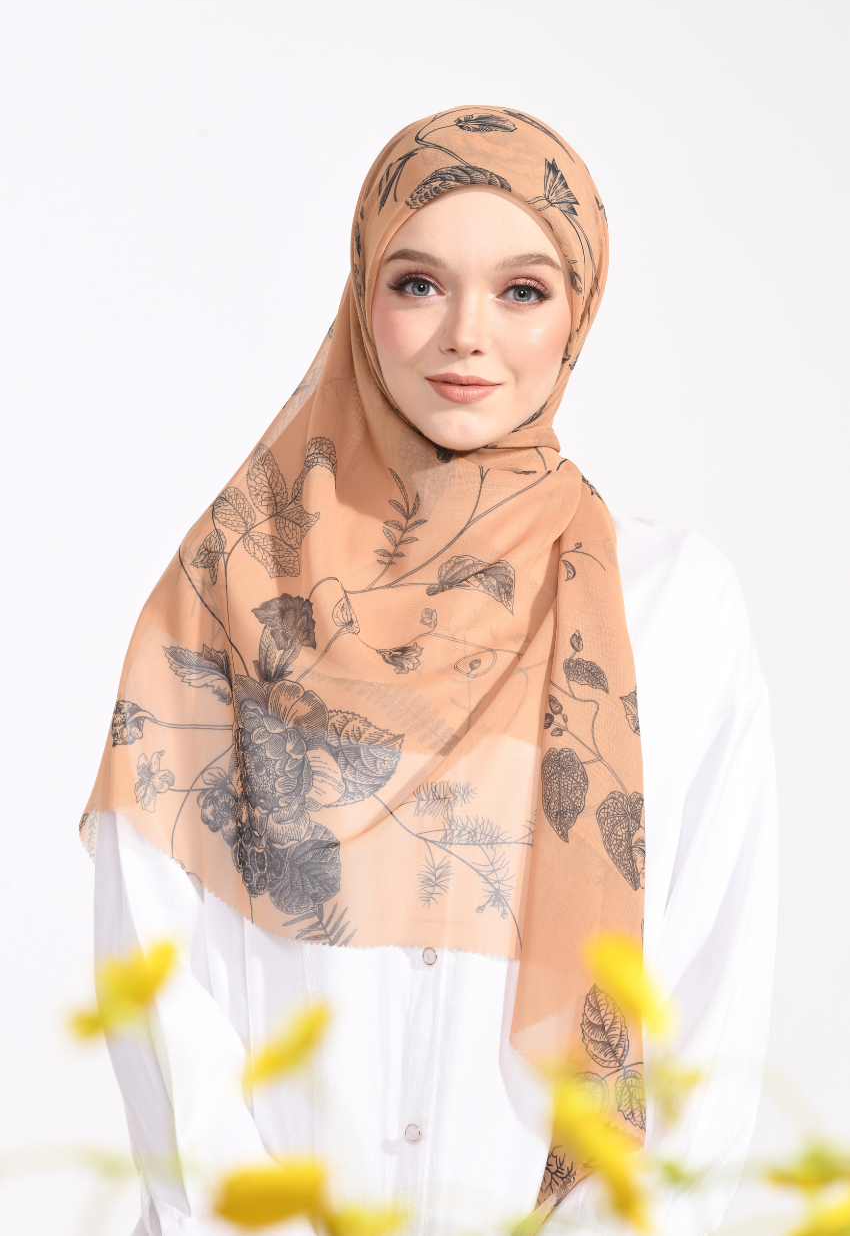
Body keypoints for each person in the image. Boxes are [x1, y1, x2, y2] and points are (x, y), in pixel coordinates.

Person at [82, 107, 777, 1236]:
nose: (467, 335)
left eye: (521, 290)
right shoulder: (229, 587)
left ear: (578, 309)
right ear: (361, 296)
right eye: (417, 283)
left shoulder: (670, 601)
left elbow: (709, 974)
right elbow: (154, 967)